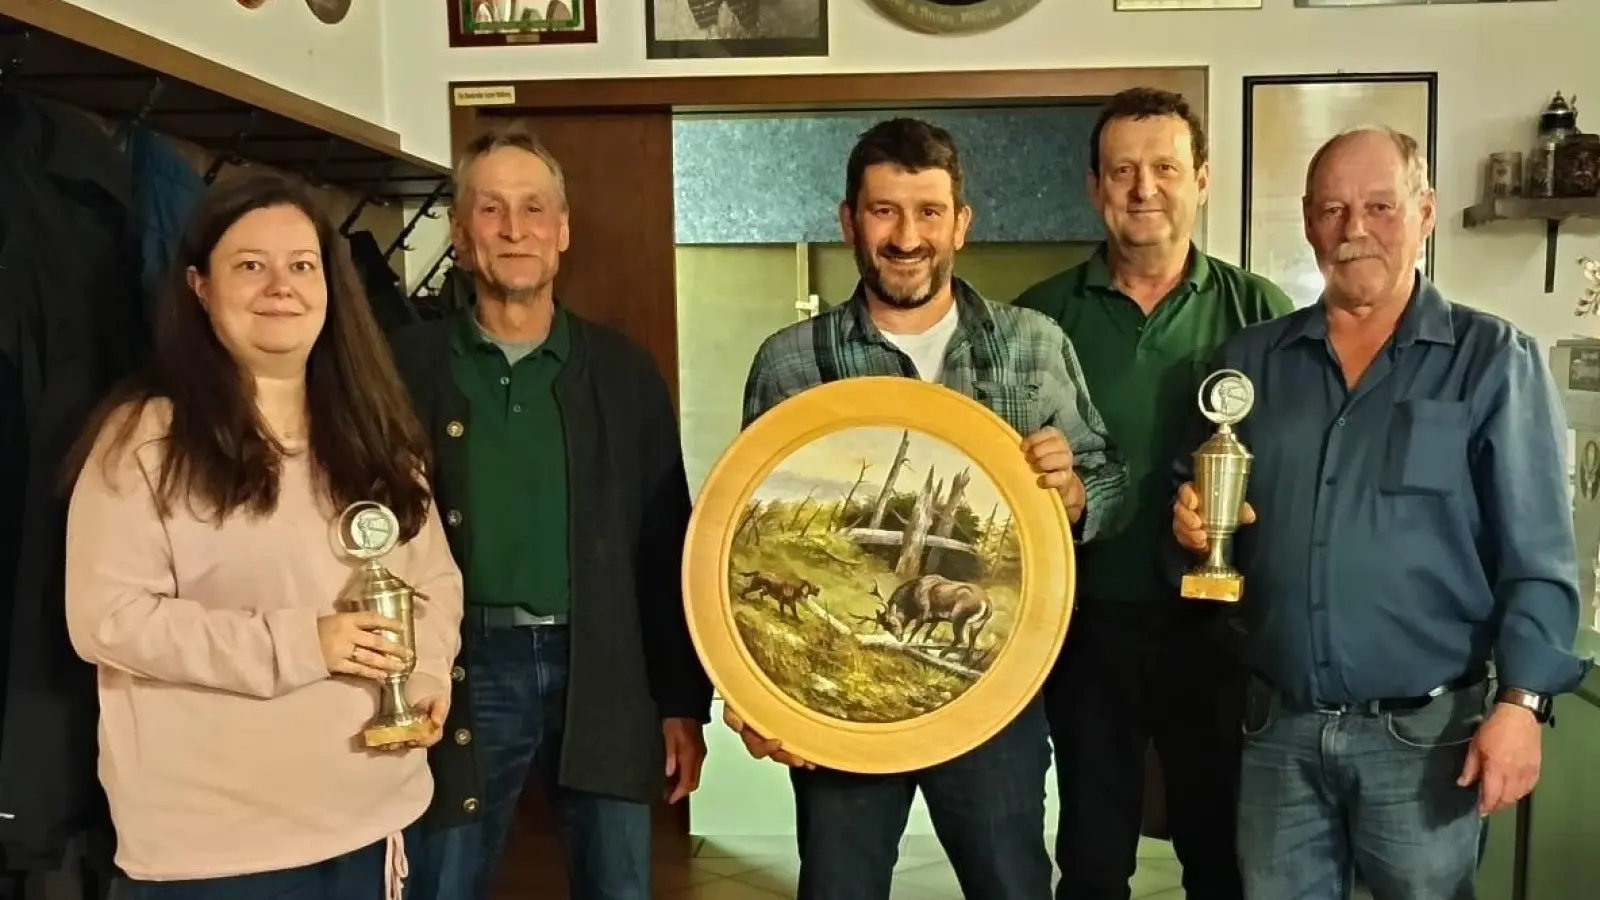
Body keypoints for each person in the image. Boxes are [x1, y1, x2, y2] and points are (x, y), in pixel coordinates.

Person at [1169, 126, 1590, 900]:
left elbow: (1538, 557)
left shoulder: (1493, 360)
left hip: (1426, 739)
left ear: (1424, 212)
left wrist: (1522, 704)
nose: (1353, 229)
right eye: (1331, 208)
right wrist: (1191, 523)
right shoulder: (1251, 361)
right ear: (1307, 221)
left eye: (1379, 206)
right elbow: (1201, 514)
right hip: (1278, 732)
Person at [729, 116, 1130, 900]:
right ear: (849, 221)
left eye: (928, 213)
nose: (906, 236)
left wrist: (1077, 492)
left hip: (998, 700)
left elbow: (1109, 479)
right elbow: (745, 543)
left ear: (961, 224)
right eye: (884, 211)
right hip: (838, 717)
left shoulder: (1033, 345)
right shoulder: (789, 361)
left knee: (1011, 886)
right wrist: (755, 691)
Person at [62, 171, 464, 900]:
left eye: (302, 266)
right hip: (214, 855)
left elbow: (432, 581)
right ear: (198, 287)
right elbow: (106, 620)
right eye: (250, 266)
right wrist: (303, 643)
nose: (281, 286)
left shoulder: (375, 433)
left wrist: (429, 674)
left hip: (375, 823)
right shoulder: (145, 440)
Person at [389, 122, 712, 900]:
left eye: (534, 209)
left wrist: (680, 703)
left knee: (619, 885)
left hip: (604, 667)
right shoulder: (402, 367)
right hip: (464, 669)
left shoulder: (625, 373)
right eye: (492, 211)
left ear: (562, 231)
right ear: (461, 236)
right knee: (441, 882)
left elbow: (666, 543)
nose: (514, 229)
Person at [1012, 87, 1294, 900]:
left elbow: (1288, 463)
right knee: (1095, 858)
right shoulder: (1040, 317)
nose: (1144, 188)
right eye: (1123, 170)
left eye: (1165, 167)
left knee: (1219, 851)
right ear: (1095, 187)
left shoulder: (1259, 310)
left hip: (1217, 628)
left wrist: (1240, 509)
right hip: (1084, 625)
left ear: (1201, 179)